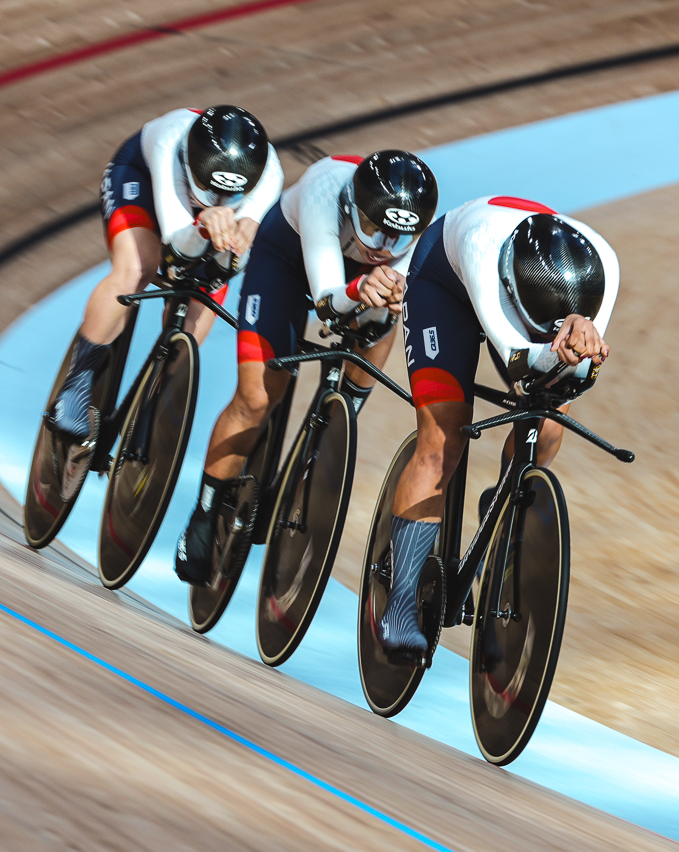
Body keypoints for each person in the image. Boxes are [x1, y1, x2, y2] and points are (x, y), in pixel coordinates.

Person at [174, 149, 438, 584]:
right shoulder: (324, 190)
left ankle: (342, 412)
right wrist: (363, 286)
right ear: (353, 208)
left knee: (390, 310)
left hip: (351, 279)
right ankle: (203, 515)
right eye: (373, 230)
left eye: (398, 239)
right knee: (257, 398)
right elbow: (328, 301)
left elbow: (394, 292)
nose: (383, 248)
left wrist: (388, 296)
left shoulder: (411, 237)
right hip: (291, 260)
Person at [374, 195, 618, 661]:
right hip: (446, 284)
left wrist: (582, 355)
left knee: (547, 424)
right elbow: (516, 356)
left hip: (537, 313)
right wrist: (558, 350)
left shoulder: (604, 264)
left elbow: (575, 377)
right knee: (442, 440)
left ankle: (503, 496)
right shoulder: (482, 248)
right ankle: (399, 604)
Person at [46, 105, 283, 454]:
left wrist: (235, 242)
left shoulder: (269, 177)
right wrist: (204, 224)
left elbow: (231, 262)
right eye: (211, 188)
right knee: (138, 268)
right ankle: (76, 384)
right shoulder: (170, 145)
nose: (218, 197)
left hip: (213, 209)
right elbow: (175, 249)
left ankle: (159, 396)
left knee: (207, 288)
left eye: (229, 193)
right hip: (140, 177)